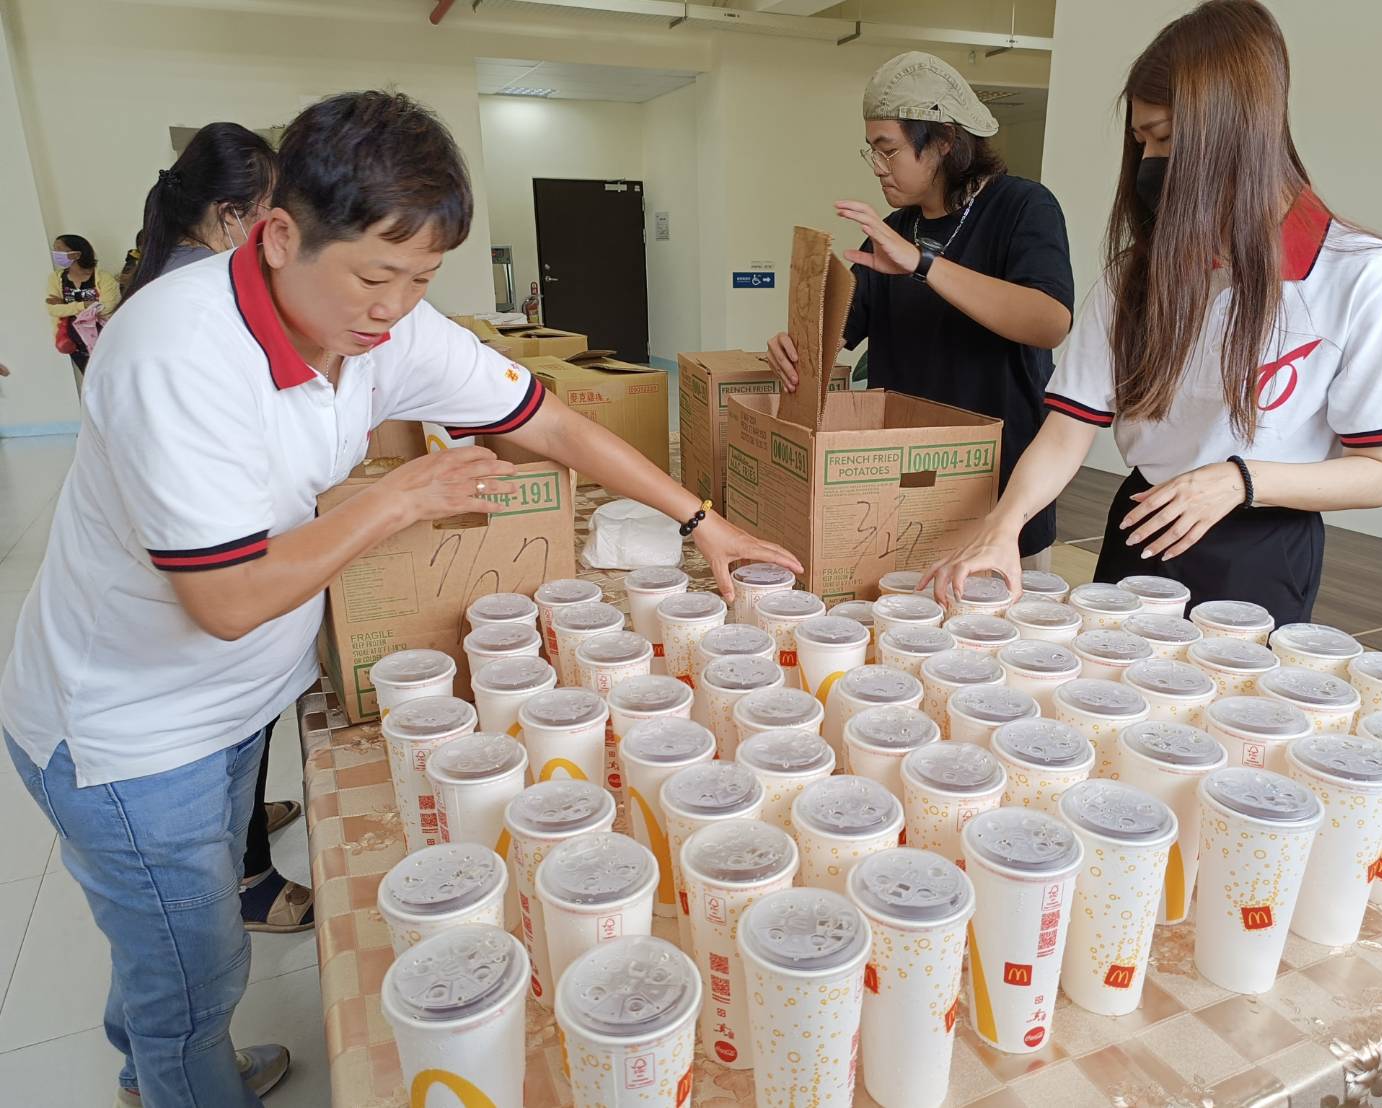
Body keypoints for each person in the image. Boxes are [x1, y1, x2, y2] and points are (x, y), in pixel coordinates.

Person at [0, 89, 800, 1108]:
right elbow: (228, 599)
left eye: (420, 278)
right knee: (192, 966)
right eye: (376, 275)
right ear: (280, 235)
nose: (393, 307)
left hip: (230, 700)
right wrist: (400, 499)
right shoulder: (177, 354)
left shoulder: (382, 329)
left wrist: (704, 523)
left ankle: (157, 1059)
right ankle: (181, 1070)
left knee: (166, 942)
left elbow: (544, 422)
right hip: (125, 724)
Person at [926, 0, 1382, 624]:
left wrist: (1237, 480)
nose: (1149, 164)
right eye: (1142, 140)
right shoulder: (1137, 278)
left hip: (1260, 544)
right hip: (1141, 528)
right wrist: (1003, 526)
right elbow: (1067, 430)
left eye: (1167, 139)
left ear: (1238, 132)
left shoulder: (1365, 278)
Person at [767, 51, 1074, 570]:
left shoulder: (1022, 206)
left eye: (889, 150)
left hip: (998, 488)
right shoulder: (895, 227)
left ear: (945, 142)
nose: (878, 167)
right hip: (901, 486)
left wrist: (922, 264)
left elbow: (1049, 322)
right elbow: (839, 333)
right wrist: (794, 345)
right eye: (872, 151)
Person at [124, 121, 312, 936]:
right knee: (182, 952)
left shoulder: (197, 287)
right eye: (277, 219)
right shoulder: (192, 319)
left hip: (215, 636)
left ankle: (240, 831)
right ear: (237, 220)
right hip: (166, 675)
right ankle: (246, 877)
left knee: (247, 727)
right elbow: (227, 597)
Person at [126, 122, 277, 297]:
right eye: (271, 205)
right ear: (229, 213)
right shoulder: (212, 284)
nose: (276, 218)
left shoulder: (167, 261)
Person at [46, 233, 119, 384]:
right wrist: (85, 305)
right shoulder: (56, 279)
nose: (55, 253)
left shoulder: (103, 277)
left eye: (60, 249)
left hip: (106, 341)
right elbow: (53, 309)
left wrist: (66, 305)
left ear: (76, 254)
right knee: (93, 383)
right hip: (76, 346)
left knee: (114, 380)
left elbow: (107, 306)